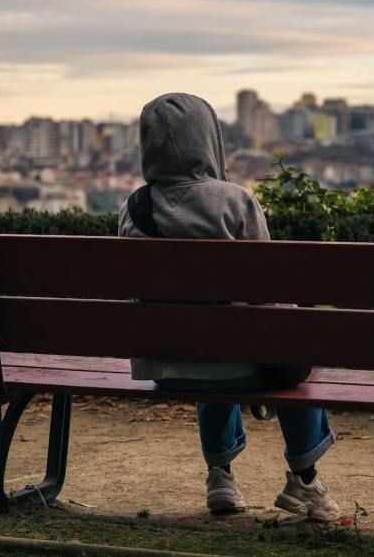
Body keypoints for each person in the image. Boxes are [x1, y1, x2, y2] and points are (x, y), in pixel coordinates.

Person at [118, 92, 340, 521]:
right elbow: (266, 291)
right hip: (228, 363)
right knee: (279, 346)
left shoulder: (132, 207)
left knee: (208, 341)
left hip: (162, 365)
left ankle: (220, 476)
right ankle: (305, 481)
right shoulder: (235, 200)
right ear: (209, 140)